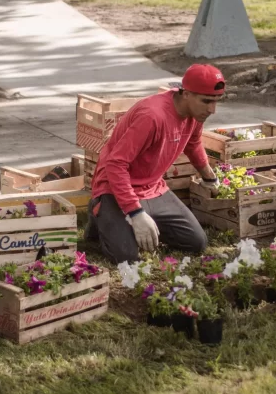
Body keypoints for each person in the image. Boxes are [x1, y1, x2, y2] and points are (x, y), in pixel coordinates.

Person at [85, 64, 225, 264]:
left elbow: (193, 143)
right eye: (207, 101)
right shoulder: (152, 116)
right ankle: (100, 212)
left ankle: (133, 221)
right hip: (114, 188)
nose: (212, 110)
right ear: (186, 94)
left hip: (153, 188)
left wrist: (209, 177)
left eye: (216, 101)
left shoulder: (195, 113)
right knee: (126, 256)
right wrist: (135, 212)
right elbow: (115, 164)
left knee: (197, 243)